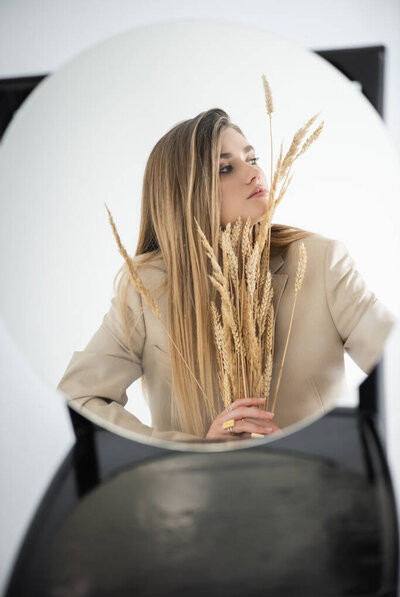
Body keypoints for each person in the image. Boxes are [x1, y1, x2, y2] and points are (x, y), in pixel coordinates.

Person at [57, 108, 396, 443]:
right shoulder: (146, 287)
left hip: (311, 489)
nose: (253, 174)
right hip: (201, 495)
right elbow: (81, 397)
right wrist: (191, 452)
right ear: (185, 194)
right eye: (225, 168)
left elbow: (391, 369)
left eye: (252, 158)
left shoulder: (320, 261)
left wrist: (313, 446)